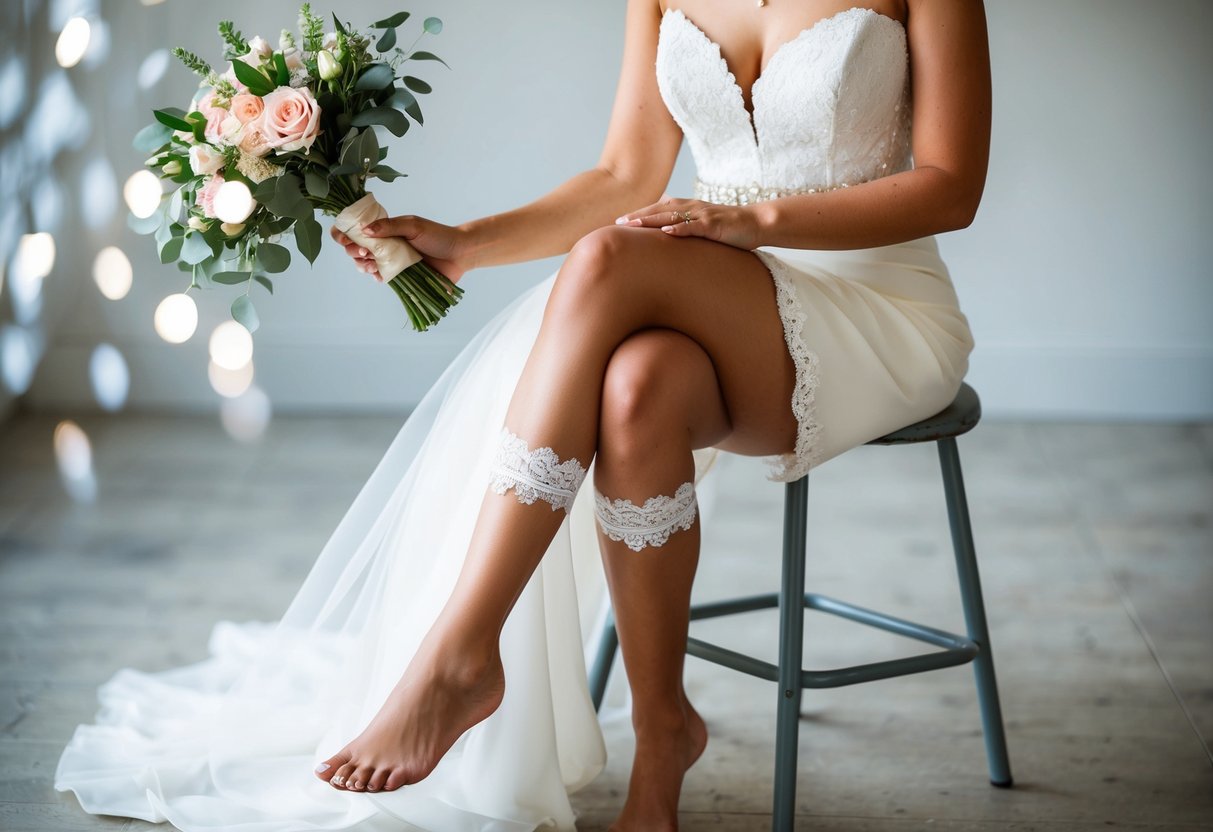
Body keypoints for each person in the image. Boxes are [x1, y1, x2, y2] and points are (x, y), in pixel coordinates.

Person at [55, 1, 990, 829]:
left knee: (607, 262)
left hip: (872, 302)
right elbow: (627, 173)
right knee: (636, 387)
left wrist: (756, 222)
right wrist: (464, 244)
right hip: (719, 282)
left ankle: (463, 648)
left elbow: (953, 183)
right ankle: (664, 734)